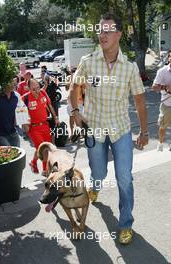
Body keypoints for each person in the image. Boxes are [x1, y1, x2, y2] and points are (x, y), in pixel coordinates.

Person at [70, 12, 148, 244]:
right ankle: (95, 185)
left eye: (107, 30)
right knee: (100, 173)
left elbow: (140, 102)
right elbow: (74, 85)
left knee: (124, 177)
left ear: (119, 34)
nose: (102, 35)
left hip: (120, 129)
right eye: (100, 30)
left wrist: (144, 133)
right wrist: (75, 111)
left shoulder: (130, 68)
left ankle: (125, 224)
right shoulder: (87, 62)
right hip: (94, 129)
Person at [22, 79, 60, 176]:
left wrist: (55, 117)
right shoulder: (24, 99)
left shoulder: (43, 92)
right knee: (44, 148)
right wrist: (24, 124)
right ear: (28, 89)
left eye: (38, 88)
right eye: (34, 89)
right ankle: (45, 170)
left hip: (45, 125)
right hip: (34, 129)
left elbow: (49, 105)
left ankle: (33, 162)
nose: (37, 91)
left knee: (41, 148)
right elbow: (18, 112)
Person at [152, 50, 171, 151]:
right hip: (166, 104)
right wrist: (166, 88)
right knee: (163, 126)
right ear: (169, 58)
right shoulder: (162, 71)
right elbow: (154, 87)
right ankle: (160, 144)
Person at [0, 79, 20, 147]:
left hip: (13, 131)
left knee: (17, 153)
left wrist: (17, 119)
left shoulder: (15, 97)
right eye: (11, 83)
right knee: (9, 154)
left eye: (14, 83)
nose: (14, 85)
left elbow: (18, 110)